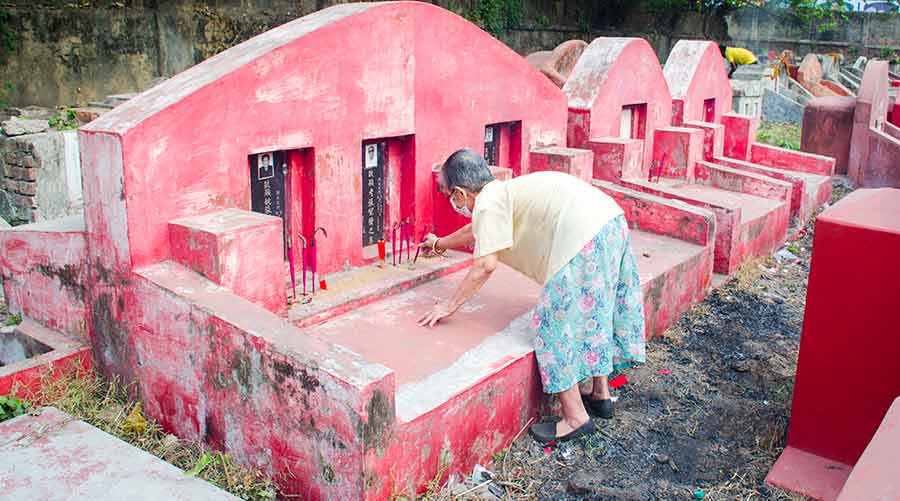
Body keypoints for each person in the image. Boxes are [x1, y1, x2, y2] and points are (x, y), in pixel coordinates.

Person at [418, 149, 646, 444]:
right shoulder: (501, 193)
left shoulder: (489, 203)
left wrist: (449, 305)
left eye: (447, 192)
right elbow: (478, 230)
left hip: (583, 237)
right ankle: (601, 394)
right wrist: (439, 244)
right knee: (596, 311)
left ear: (460, 192)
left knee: (553, 323)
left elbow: (485, 265)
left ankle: (575, 418)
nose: (451, 201)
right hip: (610, 222)